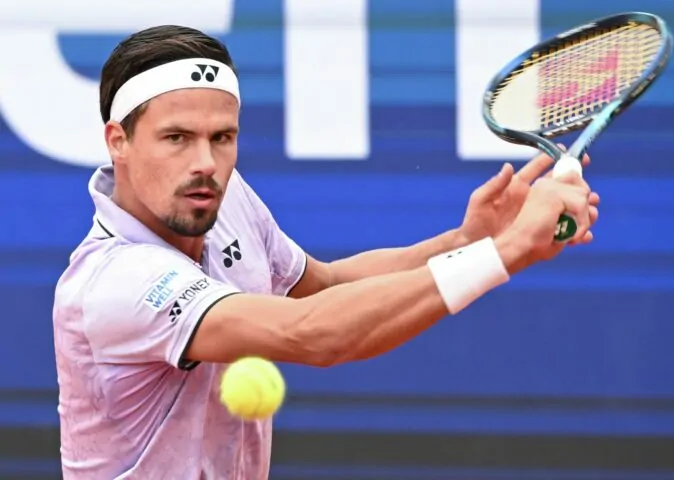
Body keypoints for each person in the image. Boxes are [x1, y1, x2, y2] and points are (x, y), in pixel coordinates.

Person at [52, 25, 599, 480]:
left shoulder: (223, 195)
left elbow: (326, 286)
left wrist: (464, 242)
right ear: (118, 141)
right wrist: (508, 251)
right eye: (176, 138)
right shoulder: (112, 283)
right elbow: (312, 332)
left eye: (222, 137)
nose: (206, 163)